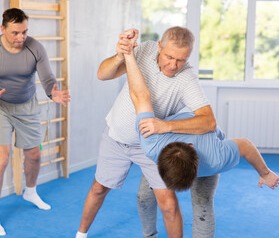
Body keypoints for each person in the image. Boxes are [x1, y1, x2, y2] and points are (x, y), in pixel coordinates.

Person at [76, 26, 216, 238]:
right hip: (116, 137)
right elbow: (102, 74)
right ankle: (81, 234)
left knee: (168, 204)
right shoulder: (145, 50)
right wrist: (121, 54)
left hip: (151, 146)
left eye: (181, 60)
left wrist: (166, 126)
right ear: (160, 46)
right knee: (98, 189)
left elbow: (209, 122)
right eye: (169, 56)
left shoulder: (187, 79)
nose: (173, 65)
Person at [123, 32, 279, 193]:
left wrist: (129, 54)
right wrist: (264, 173)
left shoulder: (215, 159)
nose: (173, 64)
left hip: (211, 149)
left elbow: (140, 95)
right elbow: (246, 146)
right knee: (145, 197)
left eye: (179, 60)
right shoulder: (152, 145)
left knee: (202, 205)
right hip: (194, 157)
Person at [0, 8, 70, 236]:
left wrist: (51, 92)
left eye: (24, 32)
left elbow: (47, 77)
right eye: (15, 33)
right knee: (2, 158)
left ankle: (31, 191)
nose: (21, 38)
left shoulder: (35, 47)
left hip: (28, 106)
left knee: (34, 154)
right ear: (3, 29)